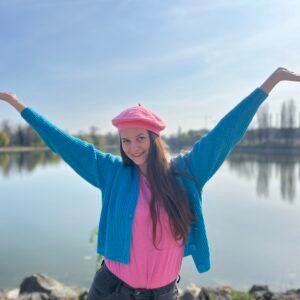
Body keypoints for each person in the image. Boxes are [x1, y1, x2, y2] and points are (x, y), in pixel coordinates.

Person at [1, 67, 299, 300]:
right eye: (126, 141)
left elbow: (225, 133)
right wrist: (18, 104)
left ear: (155, 139)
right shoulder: (114, 173)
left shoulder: (187, 172)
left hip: (163, 293)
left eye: (140, 138)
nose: (133, 147)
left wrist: (269, 84)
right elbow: (66, 145)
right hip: (111, 290)